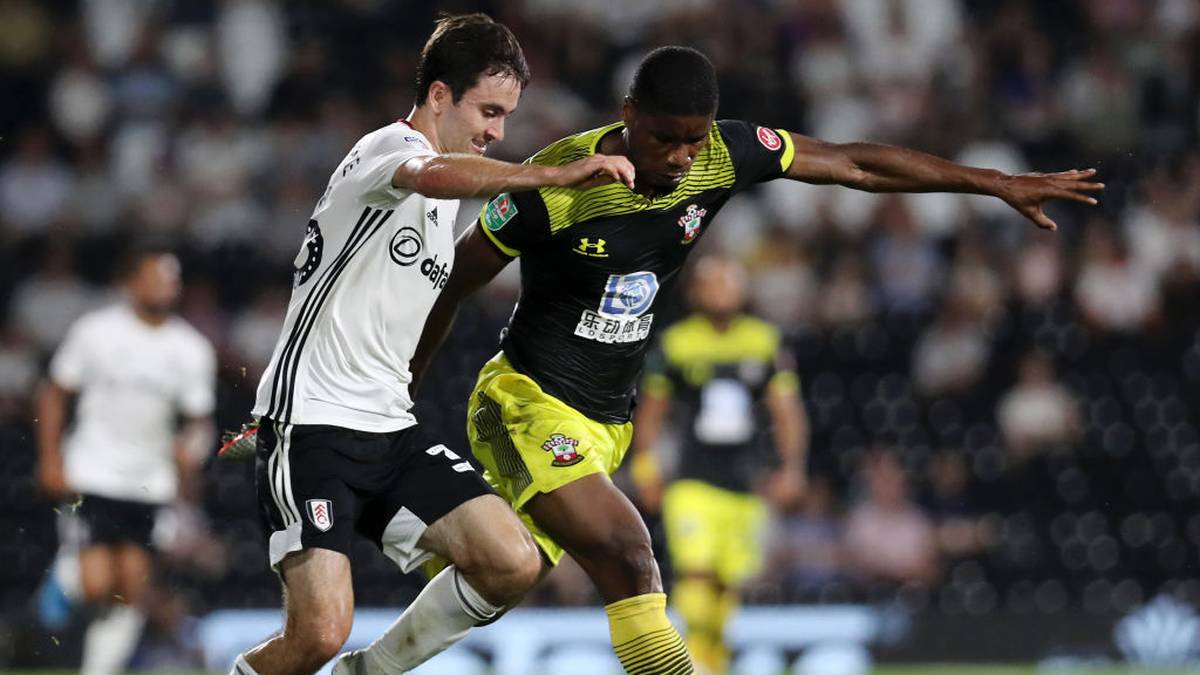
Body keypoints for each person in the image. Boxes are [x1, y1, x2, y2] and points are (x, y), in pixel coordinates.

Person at [410, 45, 1102, 674]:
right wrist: (402, 383)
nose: (682, 156)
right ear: (628, 116)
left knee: (512, 569)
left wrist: (990, 181)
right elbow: (456, 284)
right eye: (663, 138)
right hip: (525, 398)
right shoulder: (556, 183)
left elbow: (853, 163)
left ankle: (376, 644)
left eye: (694, 139)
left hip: (605, 424)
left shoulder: (725, 154)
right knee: (629, 550)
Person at [227, 14, 635, 675]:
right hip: (313, 425)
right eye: (490, 110)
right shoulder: (382, 151)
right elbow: (429, 174)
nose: (497, 132)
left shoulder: (450, 202)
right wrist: (554, 177)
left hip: (387, 427)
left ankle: (374, 671)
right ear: (440, 94)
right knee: (318, 632)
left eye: (506, 117)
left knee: (511, 560)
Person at [35, 242, 217, 675]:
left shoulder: (190, 349)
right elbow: (55, 394)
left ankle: (98, 670)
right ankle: (64, 575)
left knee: (130, 591)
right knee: (97, 584)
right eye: (155, 278)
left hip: (148, 481)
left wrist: (188, 454)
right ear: (131, 282)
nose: (164, 288)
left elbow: (198, 422)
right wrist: (49, 459)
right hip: (92, 472)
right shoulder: (95, 332)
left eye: (171, 281)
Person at [630, 255, 809, 674]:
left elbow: (786, 411)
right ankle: (694, 657)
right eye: (713, 283)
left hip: (745, 481)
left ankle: (714, 660)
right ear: (696, 292)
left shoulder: (763, 341)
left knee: (729, 581)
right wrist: (645, 468)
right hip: (692, 479)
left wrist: (792, 467)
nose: (722, 290)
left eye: (729, 282)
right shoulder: (677, 343)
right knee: (696, 570)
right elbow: (652, 411)